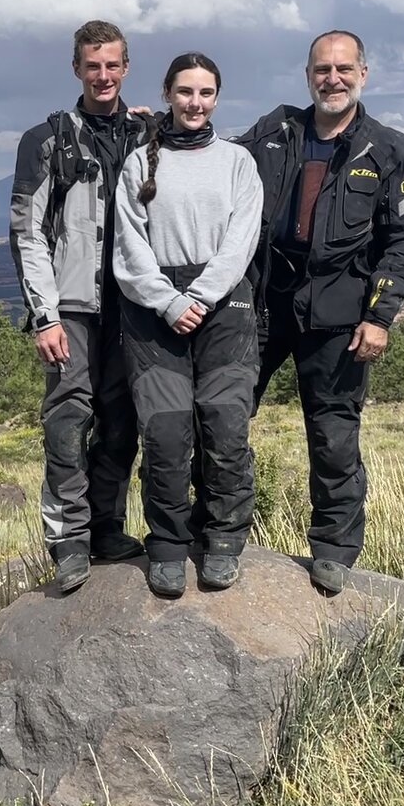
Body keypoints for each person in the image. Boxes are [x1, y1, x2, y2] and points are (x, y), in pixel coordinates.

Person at [236, 30, 404, 594]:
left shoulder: (389, 149)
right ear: (308, 76)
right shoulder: (275, 131)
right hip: (266, 301)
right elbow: (214, 160)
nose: (333, 79)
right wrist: (162, 130)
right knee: (223, 417)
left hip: (341, 314)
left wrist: (380, 315)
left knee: (333, 436)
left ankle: (334, 550)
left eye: (344, 69)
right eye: (323, 69)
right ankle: (220, 531)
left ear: (363, 74)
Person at [8, 20, 155, 592]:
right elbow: (26, 233)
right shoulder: (47, 140)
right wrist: (44, 316)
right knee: (69, 422)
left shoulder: (146, 133)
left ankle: (106, 526)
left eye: (112, 64)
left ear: (125, 67)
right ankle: (68, 541)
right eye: (92, 65)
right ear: (76, 69)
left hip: (135, 305)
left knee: (123, 424)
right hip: (72, 306)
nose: (103, 75)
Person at [113, 52, 263, 599]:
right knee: (167, 433)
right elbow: (129, 249)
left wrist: (198, 295)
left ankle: (223, 541)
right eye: (184, 93)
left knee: (225, 428)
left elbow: (241, 240)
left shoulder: (237, 163)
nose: (195, 103)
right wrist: (169, 302)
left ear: (216, 98)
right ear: (169, 95)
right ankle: (170, 547)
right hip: (155, 313)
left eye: (205, 93)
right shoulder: (138, 163)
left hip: (225, 308)